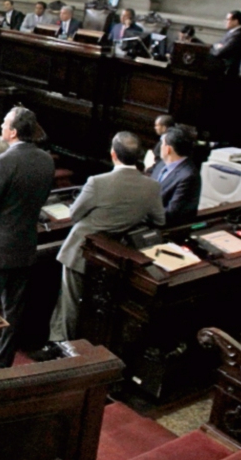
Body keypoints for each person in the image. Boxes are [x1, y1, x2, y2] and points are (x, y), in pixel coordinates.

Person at [35, 131, 165, 357]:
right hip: (116, 256)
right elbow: (159, 220)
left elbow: (75, 214)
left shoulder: (98, 182)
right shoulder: (152, 186)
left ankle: (61, 347)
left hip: (80, 250)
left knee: (69, 302)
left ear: (113, 154)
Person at [0, 108, 56, 368]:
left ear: (14, 131)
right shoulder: (46, 160)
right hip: (24, 246)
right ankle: (2, 362)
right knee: (12, 313)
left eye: (4, 122)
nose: (1, 125)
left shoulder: (2, 162)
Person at [150, 127, 202, 226]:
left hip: (167, 227)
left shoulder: (188, 176)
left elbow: (172, 214)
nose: (160, 146)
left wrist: (140, 212)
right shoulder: (162, 164)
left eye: (162, 143)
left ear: (168, 149)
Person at [211, 10, 241, 77]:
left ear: (236, 21)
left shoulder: (238, 35)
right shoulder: (232, 32)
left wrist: (217, 47)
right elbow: (215, 45)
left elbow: (219, 52)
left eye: (228, 19)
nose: (225, 22)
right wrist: (217, 47)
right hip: (221, 69)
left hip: (227, 72)